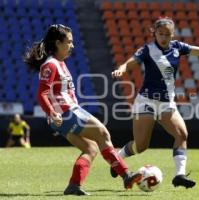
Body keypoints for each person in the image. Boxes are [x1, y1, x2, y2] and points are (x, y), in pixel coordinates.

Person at [24, 24, 142, 196]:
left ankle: (74, 185)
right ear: (58, 43)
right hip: (66, 112)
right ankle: (126, 175)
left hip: (62, 117)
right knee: (103, 133)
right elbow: (41, 93)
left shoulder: (59, 63)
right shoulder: (51, 65)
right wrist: (51, 112)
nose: (72, 45)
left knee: (91, 149)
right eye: (69, 42)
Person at [111, 17, 199, 188]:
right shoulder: (147, 50)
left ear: (172, 34)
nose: (164, 37)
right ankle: (118, 158)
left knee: (182, 135)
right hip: (146, 101)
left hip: (167, 102)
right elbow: (130, 63)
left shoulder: (178, 47)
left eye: (167, 34)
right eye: (161, 34)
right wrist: (120, 70)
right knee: (142, 145)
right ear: (155, 33)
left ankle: (179, 175)